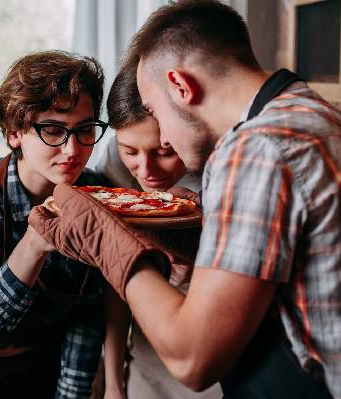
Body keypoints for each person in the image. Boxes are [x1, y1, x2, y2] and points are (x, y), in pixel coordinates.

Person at [28, 1, 341, 398]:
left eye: (153, 108)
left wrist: (108, 241)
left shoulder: (257, 150)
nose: (164, 137)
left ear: (180, 86)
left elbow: (192, 361)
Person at [0, 51, 110, 398]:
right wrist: (35, 242)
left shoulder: (97, 197)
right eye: (53, 130)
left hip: (44, 366)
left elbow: (86, 315)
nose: (72, 149)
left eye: (85, 130)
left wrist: (71, 395)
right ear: (14, 133)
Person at [101, 61, 222, 399]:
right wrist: (113, 383)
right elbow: (114, 278)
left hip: (220, 353)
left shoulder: (224, 164)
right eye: (130, 151)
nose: (147, 171)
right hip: (147, 356)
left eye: (164, 151)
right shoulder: (114, 161)